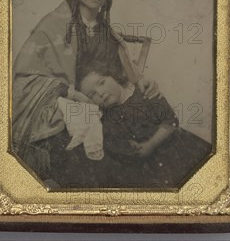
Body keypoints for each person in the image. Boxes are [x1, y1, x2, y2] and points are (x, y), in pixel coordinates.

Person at [11, 0, 158, 185]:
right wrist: (75, 96)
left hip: (103, 106)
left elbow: (124, 76)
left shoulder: (105, 32)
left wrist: (144, 82)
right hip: (61, 109)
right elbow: (23, 78)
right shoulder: (53, 25)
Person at [76, 61, 212, 188]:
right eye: (92, 94)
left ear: (113, 75)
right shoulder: (105, 120)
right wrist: (129, 148)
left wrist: (151, 144)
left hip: (174, 148)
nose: (100, 93)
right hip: (148, 167)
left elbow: (171, 121)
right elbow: (116, 145)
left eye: (101, 83)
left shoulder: (143, 92)